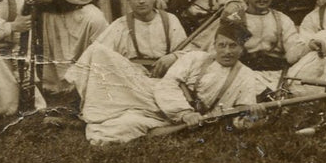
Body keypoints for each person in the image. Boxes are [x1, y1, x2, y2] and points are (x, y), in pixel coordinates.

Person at [78, 17, 277, 146]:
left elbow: (236, 119)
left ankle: (89, 117)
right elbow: (168, 84)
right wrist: (184, 113)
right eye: (222, 45)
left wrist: (254, 118)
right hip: (154, 97)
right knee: (100, 55)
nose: (226, 51)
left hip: (172, 118)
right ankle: (81, 108)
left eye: (233, 46)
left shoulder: (246, 76)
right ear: (214, 45)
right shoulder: (195, 58)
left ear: (242, 49)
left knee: (121, 127)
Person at [234, 0, 311, 73]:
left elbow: (292, 54)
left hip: (277, 75)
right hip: (244, 75)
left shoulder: (282, 19)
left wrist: (310, 47)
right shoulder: (236, 19)